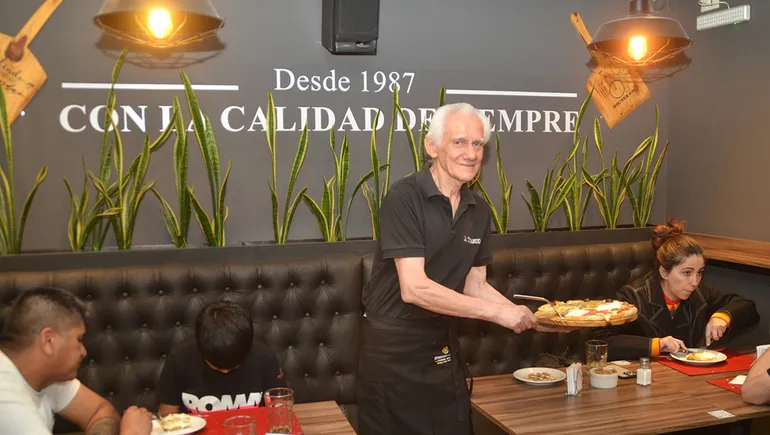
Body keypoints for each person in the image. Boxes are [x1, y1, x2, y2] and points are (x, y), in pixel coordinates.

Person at [356, 102, 564, 435]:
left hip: (441, 342)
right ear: (431, 146)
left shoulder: (477, 209)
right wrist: (496, 315)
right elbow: (414, 288)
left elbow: (475, 286)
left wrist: (530, 317)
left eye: (477, 144)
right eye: (459, 142)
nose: (470, 153)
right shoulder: (404, 198)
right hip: (392, 350)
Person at [599, 220, 759, 361]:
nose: (695, 282)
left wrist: (723, 316)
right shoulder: (633, 296)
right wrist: (658, 345)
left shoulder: (700, 294)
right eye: (687, 273)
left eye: (700, 273)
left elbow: (748, 308)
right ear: (664, 272)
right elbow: (606, 342)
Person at [0, 287, 152, 435]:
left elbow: (100, 411)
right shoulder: (6, 399)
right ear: (48, 341)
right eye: (79, 339)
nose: (84, 352)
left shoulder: (47, 377)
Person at [157, 300, 286, 416]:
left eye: (234, 365)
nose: (225, 371)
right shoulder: (180, 358)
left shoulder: (264, 357)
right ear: (201, 349)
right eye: (216, 366)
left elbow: (281, 409)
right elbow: (167, 416)